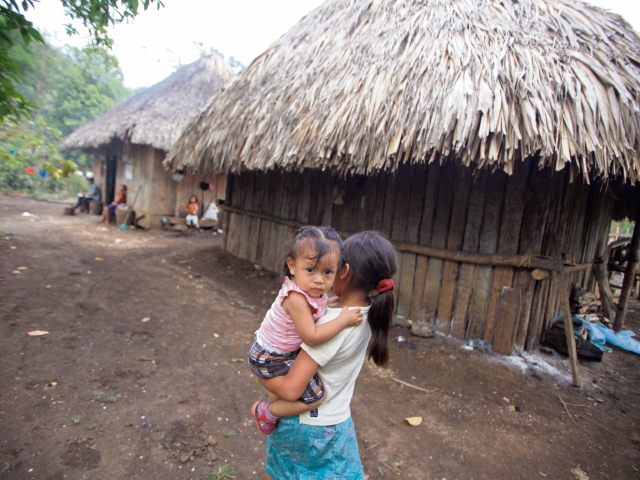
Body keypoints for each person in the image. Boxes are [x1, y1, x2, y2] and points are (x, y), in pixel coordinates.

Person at [257, 231, 398, 479]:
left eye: (328, 270)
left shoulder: (332, 324)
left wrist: (260, 373)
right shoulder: (367, 313)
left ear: (343, 271)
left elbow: (291, 389)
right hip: (338, 423)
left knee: (282, 473)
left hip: (306, 425)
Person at [249, 226, 364, 435]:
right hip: (269, 357)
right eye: (310, 270)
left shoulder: (309, 290)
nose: (319, 279)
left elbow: (316, 307)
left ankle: (275, 410)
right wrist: (344, 319)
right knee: (315, 397)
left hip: (277, 352)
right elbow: (311, 337)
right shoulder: (296, 298)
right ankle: (266, 411)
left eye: (328, 272)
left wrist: (330, 302)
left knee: (289, 389)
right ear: (292, 266)